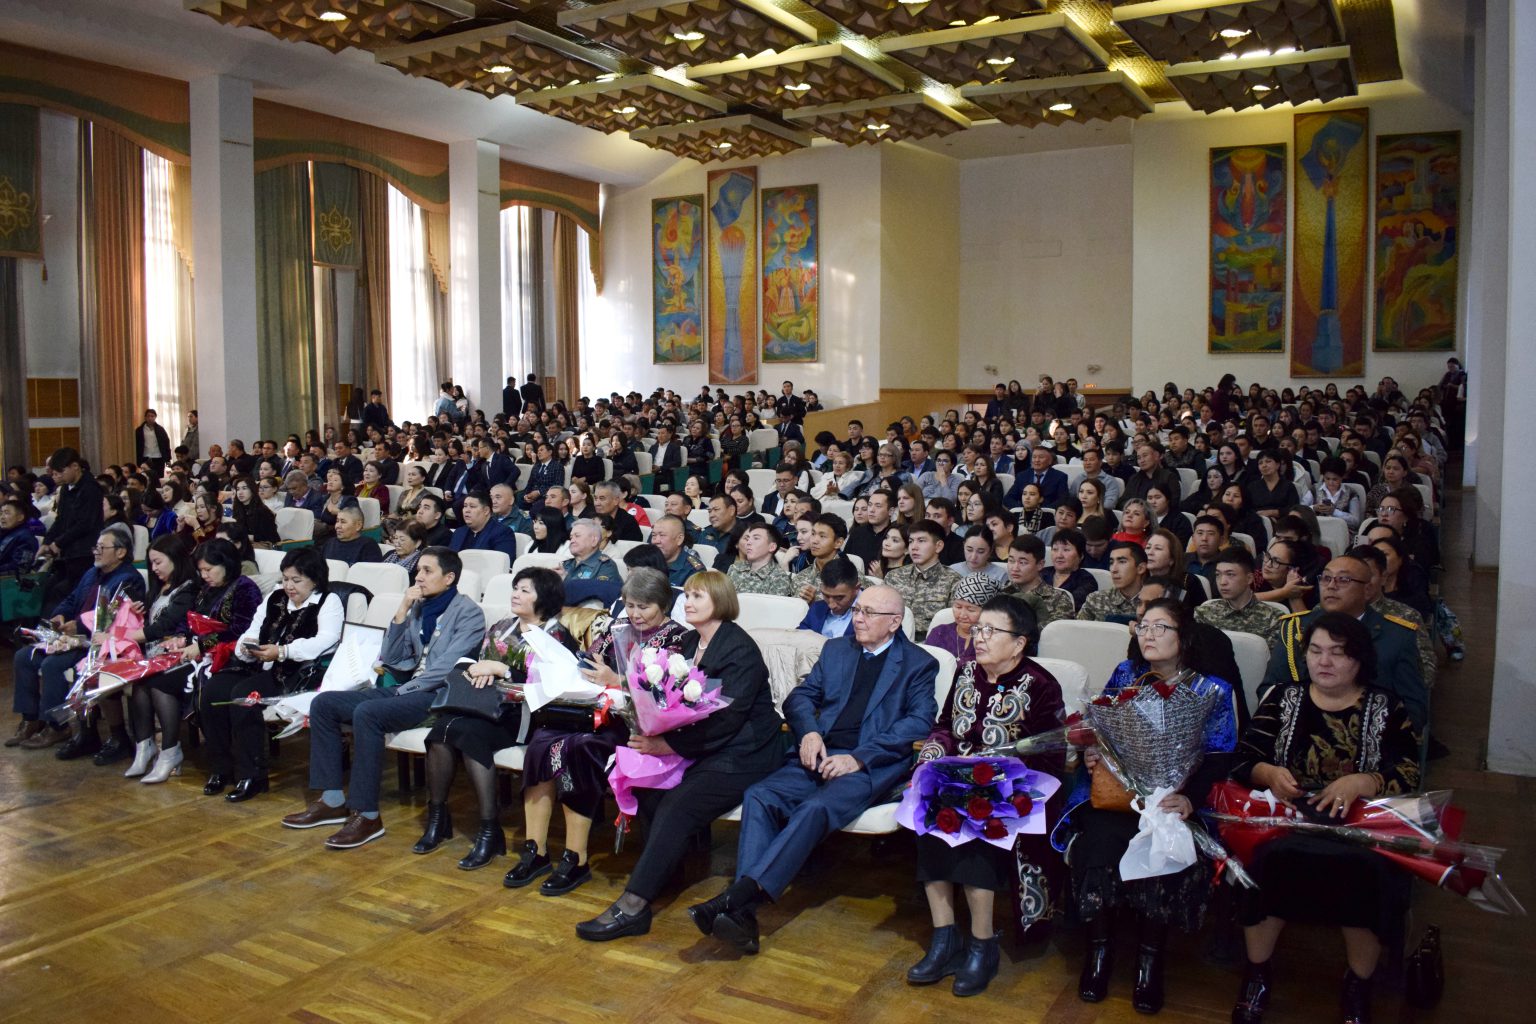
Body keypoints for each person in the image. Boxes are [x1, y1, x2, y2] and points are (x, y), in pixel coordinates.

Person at [689, 585, 937, 954]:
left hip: (868, 765)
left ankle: (738, 898)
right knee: (761, 795)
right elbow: (800, 697)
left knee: (815, 807)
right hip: (819, 752)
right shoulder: (837, 650)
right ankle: (742, 910)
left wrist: (859, 757)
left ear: (894, 622)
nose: (858, 619)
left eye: (869, 613)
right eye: (857, 611)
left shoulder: (918, 663)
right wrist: (808, 733)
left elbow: (918, 722)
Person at [1229, 613, 1422, 1024]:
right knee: (1268, 860)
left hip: (1359, 823)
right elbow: (1243, 759)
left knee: (1366, 870)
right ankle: (1257, 974)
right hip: (1288, 818)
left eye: (1338, 653)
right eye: (1315, 651)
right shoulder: (1284, 698)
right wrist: (1268, 773)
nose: (1324, 662)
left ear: (1360, 659)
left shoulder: (1384, 705)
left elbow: (1409, 772)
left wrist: (1363, 781)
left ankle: (1358, 983)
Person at [575, 571, 783, 941]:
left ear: (720, 600)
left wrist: (668, 746)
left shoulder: (738, 649)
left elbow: (727, 720)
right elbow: (662, 694)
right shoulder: (688, 641)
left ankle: (634, 906)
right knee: (648, 787)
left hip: (744, 753)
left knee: (678, 804)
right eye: (686, 595)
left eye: (697, 596)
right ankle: (666, 875)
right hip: (704, 746)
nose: (687, 602)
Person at [1063, 598, 1238, 1014]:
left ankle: (1149, 959)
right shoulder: (1127, 674)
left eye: (1161, 627)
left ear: (1185, 637)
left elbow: (1220, 755)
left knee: (1163, 851)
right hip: (1118, 796)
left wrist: (1189, 797)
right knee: (1100, 842)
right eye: (1143, 626)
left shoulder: (1211, 689)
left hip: (1177, 799)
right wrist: (1094, 754)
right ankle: (1099, 951)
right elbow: (1101, 729)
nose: (1149, 634)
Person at [909, 595, 1064, 995]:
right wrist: (930, 760)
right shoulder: (966, 672)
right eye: (978, 629)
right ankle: (945, 938)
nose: (978, 637)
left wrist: (998, 783)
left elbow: (1051, 756)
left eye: (990, 631)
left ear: (1019, 642)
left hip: (1015, 794)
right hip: (957, 782)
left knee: (979, 830)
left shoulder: (1042, 685)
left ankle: (982, 944)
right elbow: (945, 727)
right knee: (930, 820)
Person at [280, 548, 487, 849]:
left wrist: (404, 689)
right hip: (409, 688)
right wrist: (402, 610)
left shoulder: (469, 613)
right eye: (418, 570)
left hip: (440, 695)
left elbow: (447, 668)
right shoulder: (418, 607)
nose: (419, 576)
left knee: (368, 712)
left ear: (449, 577)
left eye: (428, 571)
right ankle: (332, 800)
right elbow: (391, 657)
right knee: (324, 704)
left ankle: (367, 815)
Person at [416, 568, 578, 871]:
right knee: (441, 730)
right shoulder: (502, 627)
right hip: (488, 706)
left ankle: (490, 830)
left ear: (545, 597)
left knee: (469, 735)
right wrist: (476, 670)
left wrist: (501, 670)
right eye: (515, 588)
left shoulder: (555, 635)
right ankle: (438, 818)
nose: (515, 594)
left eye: (525, 590)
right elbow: (478, 662)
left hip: (528, 714)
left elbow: (553, 684)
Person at [200, 547, 343, 801]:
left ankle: (252, 775)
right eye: (285, 578)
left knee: (245, 695)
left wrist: (283, 651)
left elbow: (325, 641)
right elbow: (253, 629)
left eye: (296, 580)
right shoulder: (275, 598)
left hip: (295, 672)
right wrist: (247, 647)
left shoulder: (327, 601)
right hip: (260, 663)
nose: (289, 586)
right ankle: (221, 768)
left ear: (315, 579)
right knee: (213, 690)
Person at [125, 539, 263, 784]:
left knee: (162, 684)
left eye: (209, 569)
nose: (204, 575)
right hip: (199, 654)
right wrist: (181, 638)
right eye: (201, 570)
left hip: (229, 658)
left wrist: (201, 645)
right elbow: (190, 623)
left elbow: (241, 629)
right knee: (146, 681)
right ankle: (153, 748)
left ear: (227, 564)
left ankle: (174, 752)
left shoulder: (244, 588)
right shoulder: (206, 589)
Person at [9, 527, 146, 754]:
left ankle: (57, 726)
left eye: (102, 547)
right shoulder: (91, 573)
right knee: (24, 657)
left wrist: (79, 626)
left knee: (52, 665)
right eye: (96, 547)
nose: (96, 551)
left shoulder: (129, 579)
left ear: (121, 552)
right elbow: (71, 599)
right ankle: (31, 720)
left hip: (99, 644)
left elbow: (114, 619)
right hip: (72, 637)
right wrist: (60, 615)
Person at [1261, 553, 1427, 729]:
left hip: (1370, 733)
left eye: (1344, 579)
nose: (1331, 586)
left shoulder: (1397, 636)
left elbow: (1414, 707)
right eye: (1326, 578)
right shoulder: (1295, 627)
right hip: (1300, 728)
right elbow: (1269, 689)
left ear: (1367, 590)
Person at [39, 447, 105, 607]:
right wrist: (47, 541)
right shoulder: (66, 488)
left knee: (73, 595)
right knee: (49, 590)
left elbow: (85, 524)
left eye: (62, 471)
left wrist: (58, 543)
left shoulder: (90, 488)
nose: (59, 476)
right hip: (68, 553)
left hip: (85, 552)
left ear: (75, 466)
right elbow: (61, 519)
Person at [1195, 546, 1283, 647]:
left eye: (1230, 574)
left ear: (1249, 578)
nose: (1222, 582)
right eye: (1218, 574)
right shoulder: (1204, 613)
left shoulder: (1274, 620)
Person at [883, 519, 958, 638]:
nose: (914, 547)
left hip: (931, 644)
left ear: (938, 546)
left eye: (921, 541)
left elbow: (953, 627)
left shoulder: (953, 581)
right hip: (893, 640)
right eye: (911, 541)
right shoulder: (893, 576)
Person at [1078, 541, 1146, 623]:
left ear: (1140, 568)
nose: (1113, 569)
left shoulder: (1153, 601)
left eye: (1122, 562)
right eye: (1111, 563)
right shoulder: (1097, 599)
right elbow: (1078, 629)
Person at [795, 557, 861, 639]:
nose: (831, 605)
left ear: (856, 588)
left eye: (839, 598)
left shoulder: (872, 612)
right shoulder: (817, 608)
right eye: (826, 595)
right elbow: (798, 637)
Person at [724, 521, 791, 596]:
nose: (748, 543)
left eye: (756, 538)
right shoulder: (735, 568)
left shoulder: (779, 578)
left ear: (772, 547)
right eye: (748, 538)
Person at [448, 491, 520, 558]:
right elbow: (449, 560)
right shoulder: (459, 532)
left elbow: (503, 562)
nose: (466, 510)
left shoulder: (502, 533)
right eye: (465, 506)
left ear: (486, 511)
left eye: (472, 506)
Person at [320, 506, 385, 567]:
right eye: (337, 521)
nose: (337, 526)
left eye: (343, 522)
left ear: (358, 525)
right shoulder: (330, 543)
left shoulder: (368, 546)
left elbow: (371, 572)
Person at [135, 409, 172, 482]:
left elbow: (166, 444)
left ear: (155, 417)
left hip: (158, 457)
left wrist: (168, 459)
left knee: (158, 477)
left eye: (152, 416)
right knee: (145, 477)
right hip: (145, 457)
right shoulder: (139, 430)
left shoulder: (160, 429)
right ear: (145, 417)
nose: (150, 418)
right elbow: (137, 445)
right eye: (148, 416)